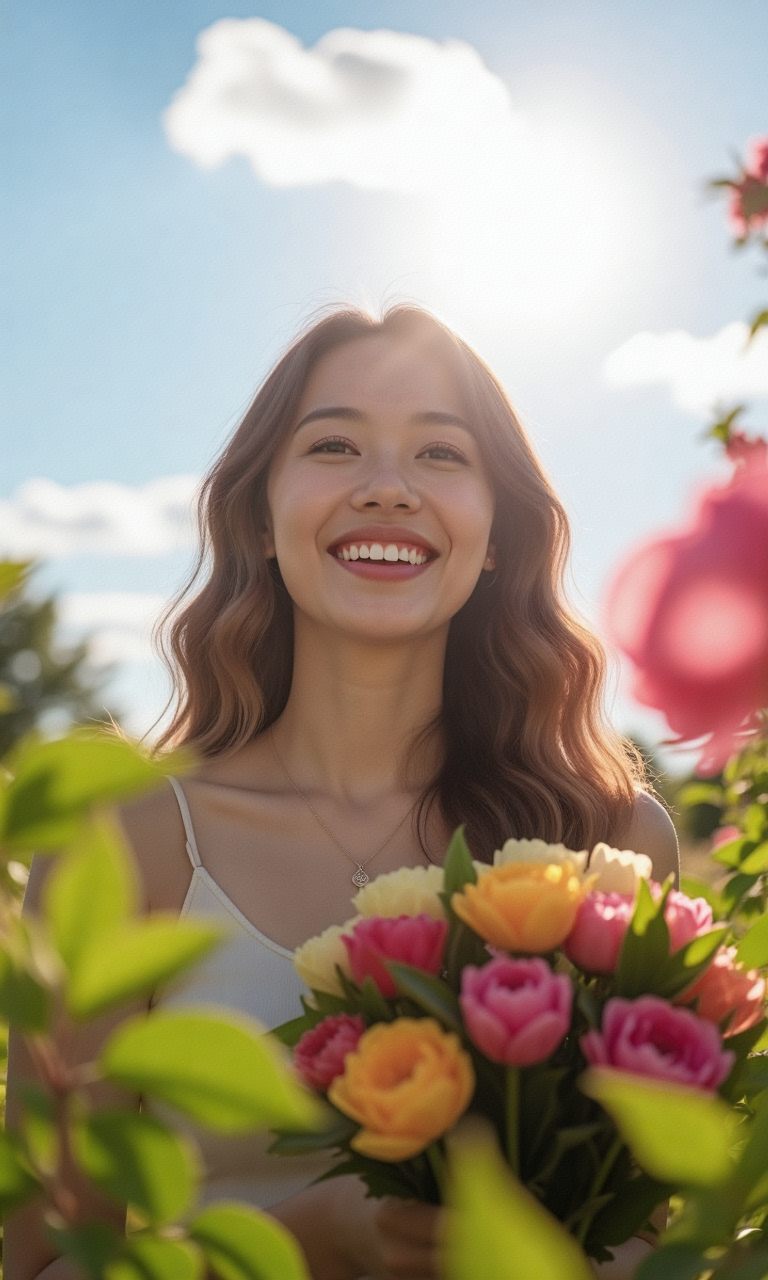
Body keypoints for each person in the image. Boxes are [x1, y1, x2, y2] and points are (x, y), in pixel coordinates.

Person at [6, 305, 678, 1280]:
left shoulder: (609, 840)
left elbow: (646, 1242)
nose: (387, 488)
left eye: (442, 454)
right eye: (335, 443)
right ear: (259, 517)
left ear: (497, 535)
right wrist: (319, 1236)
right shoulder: (125, 837)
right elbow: (37, 1264)